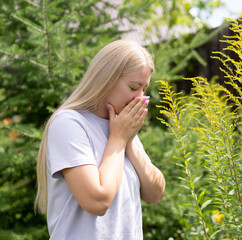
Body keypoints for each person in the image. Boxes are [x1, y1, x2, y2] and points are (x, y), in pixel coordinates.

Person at [34, 39, 166, 239]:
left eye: (144, 90)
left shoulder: (120, 127)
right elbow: (97, 201)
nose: (140, 98)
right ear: (106, 79)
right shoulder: (69, 123)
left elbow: (156, 193)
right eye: (133, 87)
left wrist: (128, 141)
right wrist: (119, 140)